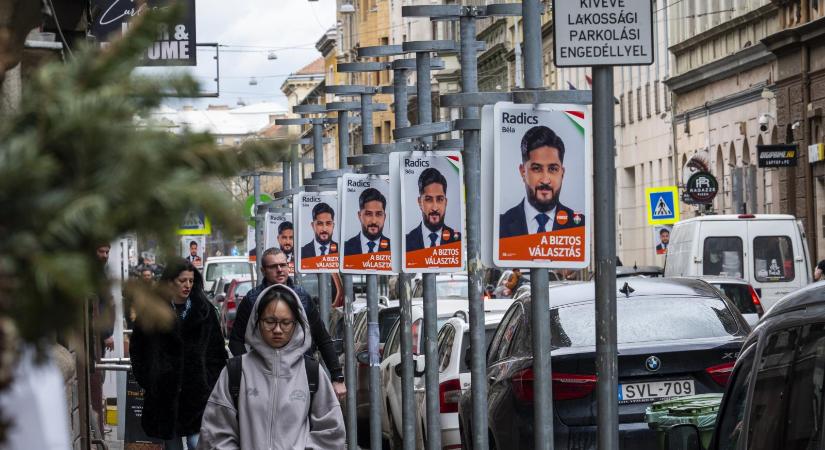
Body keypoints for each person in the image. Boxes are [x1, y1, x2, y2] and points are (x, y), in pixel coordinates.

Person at [197, 284, 345, 449]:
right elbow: (215, 433)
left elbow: (330, 432)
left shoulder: (312, 373)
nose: (277, 330)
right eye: (270, 321)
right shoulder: (235, 372)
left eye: (285, 322)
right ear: (257, 321)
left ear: (297, 324)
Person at [130, 259, 227, 450]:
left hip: (197, 392)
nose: (187, 285)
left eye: (191, 281)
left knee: (195, 442)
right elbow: (138, 349)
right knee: (172, 444)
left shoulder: (204, 310)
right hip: (165, 392)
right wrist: (150, 379)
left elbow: (216, 350)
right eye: (182, 281)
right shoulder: (152, 311)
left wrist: (210, 381)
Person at [229, 248, 346, 398]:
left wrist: (337, 377)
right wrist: (250, 370)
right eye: (273, 266)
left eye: (283, 265)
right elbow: (236, 341)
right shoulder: (252, 300)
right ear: (263, 270)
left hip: (300, 375)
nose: (279, 270)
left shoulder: (302, 297)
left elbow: (322, 338)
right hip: (263, 377)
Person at [500, 125, 585, 238]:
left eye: (553, 169)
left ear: (562, 173)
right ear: (523, 172)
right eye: (536, 169)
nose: (545, 180)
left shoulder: (580, 226)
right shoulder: (500, 225)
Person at [406, 167, 461, 251]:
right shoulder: (406, 242)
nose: (435, 208)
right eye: (428, 199)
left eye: (440, 199)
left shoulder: (458, 240)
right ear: (420, 202)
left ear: (445, 202)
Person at [344, 188, 390, 255]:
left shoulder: (394, 248)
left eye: (379, 214)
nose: (374, 221)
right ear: (359, 216)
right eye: (368, 214)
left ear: (384, 217)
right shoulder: (345, 248)